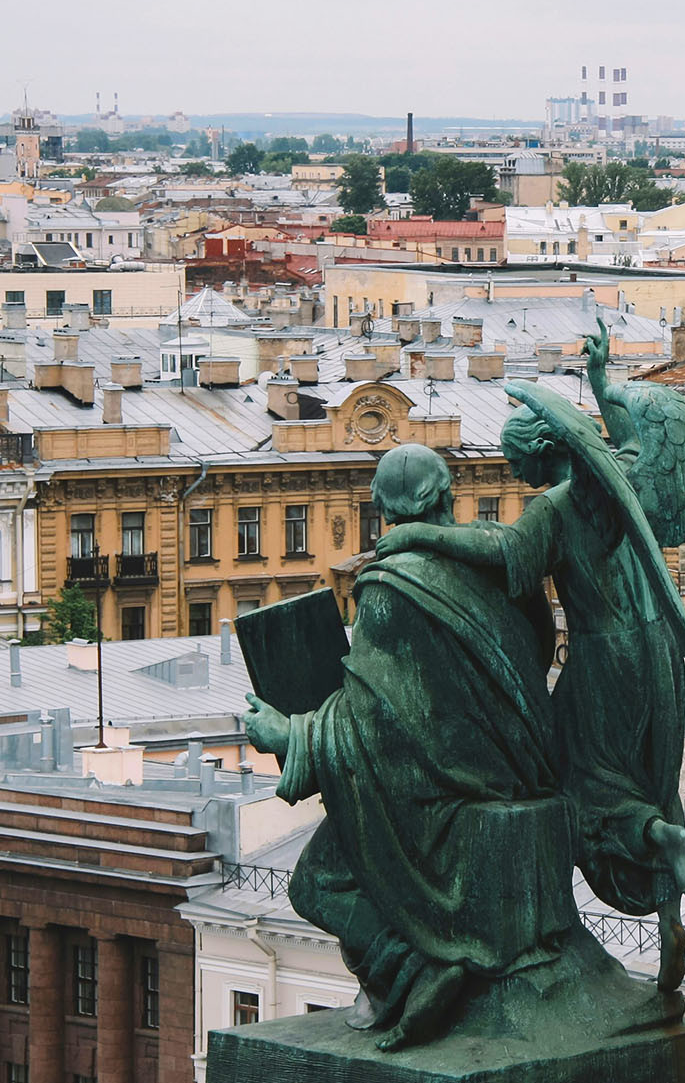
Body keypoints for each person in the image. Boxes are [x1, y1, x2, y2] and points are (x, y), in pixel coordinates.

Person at [243, 444, 570, 1049]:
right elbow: (531, 658)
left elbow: (378, 719)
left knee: (317, 881)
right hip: (515, 770)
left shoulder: (391, 586)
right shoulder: (498, 567)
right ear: (447, 496)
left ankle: (415, 967)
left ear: (383, 513)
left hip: (438, 795)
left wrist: (291, 735)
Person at [376, 405, 685, 991]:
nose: (514, 471)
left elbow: (506, 554)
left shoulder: (555, 506)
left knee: (572, 782)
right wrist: (605, 387)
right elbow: (630, 435)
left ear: (544, 450)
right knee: (653, 777)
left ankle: (646, 839)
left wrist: (415, 534)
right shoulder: (619, 482)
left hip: (605, 658)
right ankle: (667, 910)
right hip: (661, 653)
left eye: (517, 459)